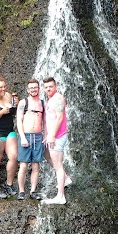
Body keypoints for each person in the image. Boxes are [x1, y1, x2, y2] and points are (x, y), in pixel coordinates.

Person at [16, 78, 45, 200]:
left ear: (39, 88)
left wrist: (47, 135)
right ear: (28, 90)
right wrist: (22, 137)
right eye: (31, 88)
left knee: (36, 165)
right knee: (23, 165)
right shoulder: (23, 102)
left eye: (35, 87)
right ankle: (21, 191)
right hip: (26, 136)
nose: (33, 89)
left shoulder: (43, 103)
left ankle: (33, 191)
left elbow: (45, 121)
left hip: (38, 137)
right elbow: (19, 120)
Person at [42, 76, 69, 205]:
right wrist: (46, 135)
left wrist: (52, 135)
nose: (48, 89)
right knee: (46, 154)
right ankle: (66, 178)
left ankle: (60, 196)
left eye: (50, 86)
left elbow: (59, 118)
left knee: (58, 165)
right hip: (52, 135)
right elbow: (48, 120)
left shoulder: (58, 98)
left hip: (58, 136)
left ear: (56, 86)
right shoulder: (49, 100)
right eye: (46, 87)